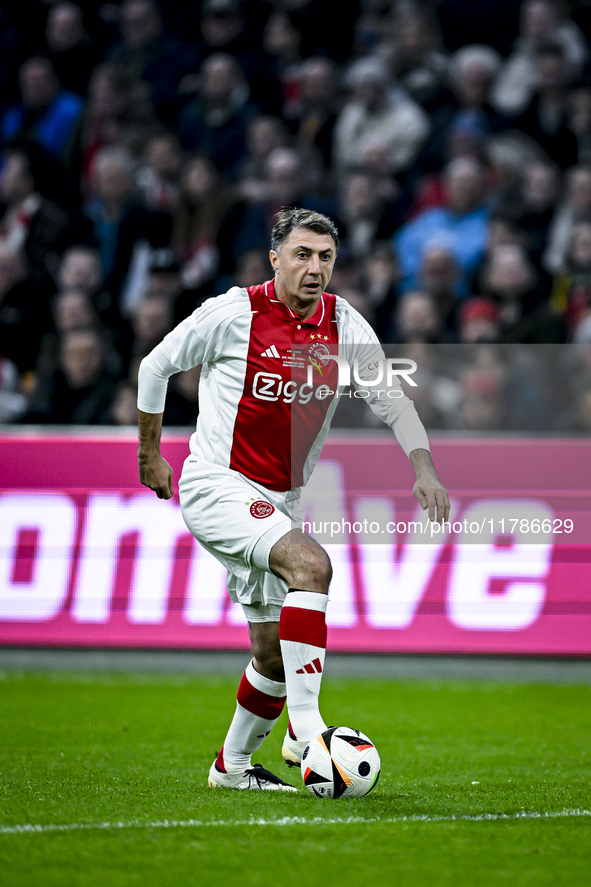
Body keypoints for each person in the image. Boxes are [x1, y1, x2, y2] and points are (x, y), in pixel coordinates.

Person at [136, 207, 449, 791]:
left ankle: (231, 768)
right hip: (217, 483)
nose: (314, 268)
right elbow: (155, 367)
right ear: (274, 258)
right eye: (302, 255)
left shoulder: (345, 325)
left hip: (281, 499)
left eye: (325, 257)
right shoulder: (232, 313)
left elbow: (393, 401)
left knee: (274, 653)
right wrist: (149, 454)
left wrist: (423, 467)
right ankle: (309, 733)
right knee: (312, 565)